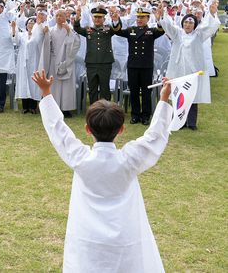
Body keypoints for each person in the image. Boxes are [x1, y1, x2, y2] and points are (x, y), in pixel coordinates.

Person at [32, 69, 173, 272]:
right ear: (121, 129)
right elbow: (155, 137)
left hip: (88, 237)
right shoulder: (129, 160)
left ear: (88, 129)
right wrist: (163, 100)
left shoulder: (81, 159)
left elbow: (58, 129)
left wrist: (46, 93)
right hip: (124, 236)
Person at [159, 1, 221, 130]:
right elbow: (167, 25)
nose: (188, 25)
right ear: (182, 23)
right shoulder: (176, 34)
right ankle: (178, 121)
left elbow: (210, 27)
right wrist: (161, 14)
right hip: (178, 70)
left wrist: (213, 13)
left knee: (192, 96)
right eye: (186, 22)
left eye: (191, 23)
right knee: (178, 95)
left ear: (194, 25)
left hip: (193, 72)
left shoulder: (199, 35)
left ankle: (191, 122)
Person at [112, 7, 165, 125]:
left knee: (146, 92)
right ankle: (135, 115)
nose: (139, 19)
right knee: (134, 91)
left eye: (142, 17)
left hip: (146, 66)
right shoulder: (131, 30)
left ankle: (146, 115)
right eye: (138, 17)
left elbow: (162, 30)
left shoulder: (151, 31)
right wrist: (116, 20)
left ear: (147, 18)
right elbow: (117, 31)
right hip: (133, 65)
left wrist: (159, 19)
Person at [73, 6, 120, 104]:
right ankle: (94, 110)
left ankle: (105, 110)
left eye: (100, 17)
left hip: (105, 63)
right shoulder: (88, 29)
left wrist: (115, 20)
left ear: (104, 19)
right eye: (95, 17)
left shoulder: (108, 29)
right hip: (91, 63)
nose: (97, 19)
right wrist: (77, 17)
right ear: (92, 18)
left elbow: (116, 29)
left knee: (105, 88)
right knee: (92, 88)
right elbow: (77, 28)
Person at [42, 9, 80, 117]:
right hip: (54, 61)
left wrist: (69, 33)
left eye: (61, 15)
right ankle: (54, 108)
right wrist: (45, 33)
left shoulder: (70, 29)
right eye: (57, 15)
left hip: (66, 61)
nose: (58, 18)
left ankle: (66, 109)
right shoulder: (51, 30)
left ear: (65, 17)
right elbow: (47, 44)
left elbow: (76, 43)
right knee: (54, 85)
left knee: (66, 85)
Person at [11, 13, 46, 114]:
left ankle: (33, 106)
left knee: (33, 83)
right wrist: (14, 29)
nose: (30, 25)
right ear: (26, 25)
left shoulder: (37, 35)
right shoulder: (22, 35)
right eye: (29, 23)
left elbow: (40, 39)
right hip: (23, 62)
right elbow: (15, 41)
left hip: (34, 61)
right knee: (23, 82)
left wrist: (39, 25)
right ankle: (25, 106)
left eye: (32, 23)